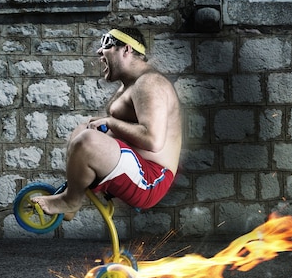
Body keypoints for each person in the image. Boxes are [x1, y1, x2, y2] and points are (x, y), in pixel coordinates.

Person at [32, 27, 182, 220]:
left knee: (87, 140)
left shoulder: (149, 83)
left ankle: (70, 200)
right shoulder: (131, 84)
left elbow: (153, 140)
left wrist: (110, 123)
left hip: (151, 179)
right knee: (84, 129)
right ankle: (73, 193)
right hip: (138, 166)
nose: (99, 52)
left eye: (107, 44)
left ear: (126, 50)